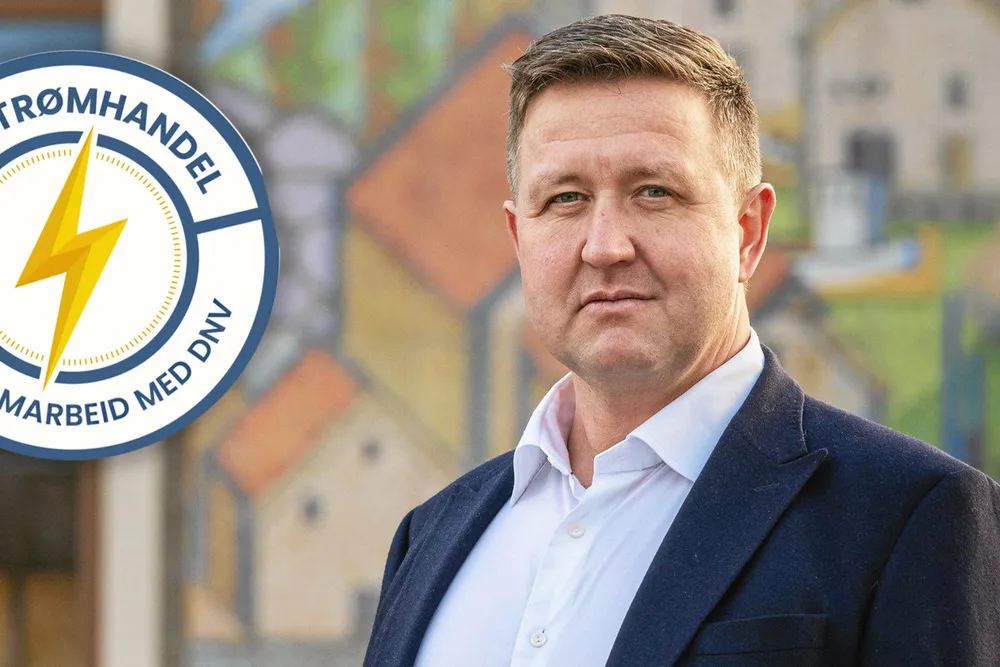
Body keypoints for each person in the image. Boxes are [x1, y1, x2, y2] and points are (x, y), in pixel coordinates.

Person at [363, 14, 1000, 667]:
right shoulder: (429, 537)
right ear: (518, 237)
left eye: (654, 192)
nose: (605, 246)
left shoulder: (908, 515)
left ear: (748, 231)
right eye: (565, 198)